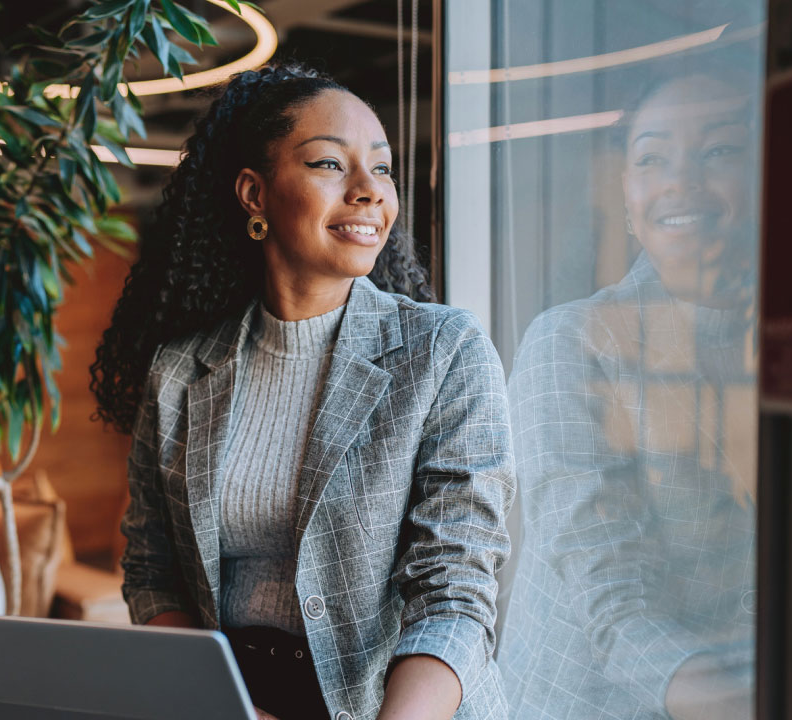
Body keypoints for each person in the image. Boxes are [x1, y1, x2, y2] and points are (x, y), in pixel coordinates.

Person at [90, 63, 515, 720]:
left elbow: (455, 593)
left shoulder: (443, 352)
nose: (370, 191)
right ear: (254, 194)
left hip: (400, 706)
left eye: (383, 168)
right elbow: (154, 572)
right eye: (328, 164)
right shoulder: (179, 371)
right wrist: (217, 704)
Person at [497, 68, 758, 720]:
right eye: (652, 158)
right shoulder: (571, 342)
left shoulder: (770, 343)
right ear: (628, 200)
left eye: (721, 150)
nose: (681, 180)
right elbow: (610, 593)